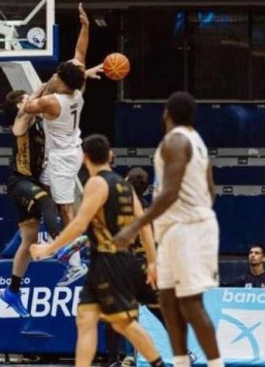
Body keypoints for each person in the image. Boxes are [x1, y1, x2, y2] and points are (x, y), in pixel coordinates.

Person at [31, 134, 166, 367]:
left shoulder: (96, 183)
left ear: (84, 157)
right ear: (109, 156)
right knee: (86, 318)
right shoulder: (125, 187)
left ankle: (159, 364)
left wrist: (50, 248)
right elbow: (143, 228)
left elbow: (79, 223)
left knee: (123, 323)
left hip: (110, 262)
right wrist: (152, 262)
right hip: (108, 262)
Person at [114, 91, 224, 367]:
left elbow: (171, 192)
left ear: (168, 113)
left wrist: (134, 226)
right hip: (183, 227)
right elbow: (211, 191)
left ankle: (215, 364)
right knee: (167, 301)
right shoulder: (197, 141)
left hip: (187, 228)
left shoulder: (174, 141)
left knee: (190, 304)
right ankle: (181, 363)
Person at [23, 3, 102, 286]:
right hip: (70, 150)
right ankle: (65, 236)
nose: (55, 75)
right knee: (43, 190)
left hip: (62, 158)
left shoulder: (51, 100)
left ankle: (75, 258)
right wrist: (86, 26)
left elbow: (28, 105)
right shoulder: (77, 91)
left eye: (57, 75)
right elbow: (80, 55)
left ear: (62, 82)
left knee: (65, 208)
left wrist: (43, 84)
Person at [0, 89, 87, 316]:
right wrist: (44, 87)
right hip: (19, 182)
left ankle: (12, 290)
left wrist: (80, 76)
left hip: (31, 182)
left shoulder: (39, 122)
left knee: (28, 240)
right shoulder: (20, 122)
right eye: (27, 98)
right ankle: (62, 249)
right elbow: (39, 96)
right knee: (47, 202)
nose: (33, 100)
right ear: (20, 106)